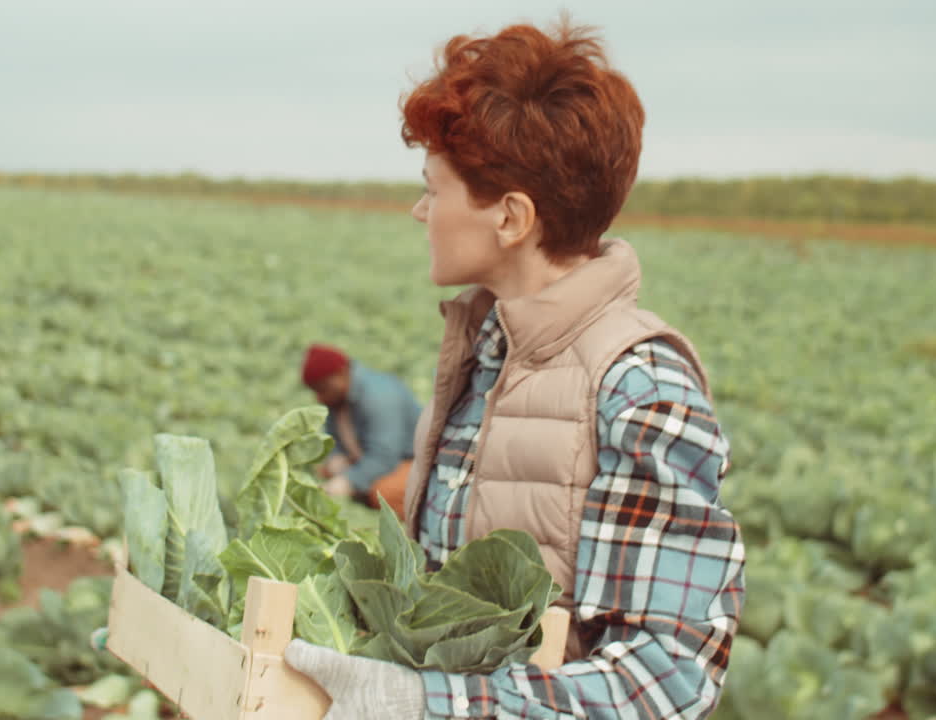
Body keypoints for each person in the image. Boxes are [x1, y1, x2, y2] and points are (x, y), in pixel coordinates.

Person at [283, 17, 746, 720]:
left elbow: (669, 683)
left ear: (510, 218)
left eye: (434, 188)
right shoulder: (484, 356)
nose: (419, 211)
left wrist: (426, 704)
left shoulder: (640, 391)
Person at [301, 342, 422, 519]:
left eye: (322, 389)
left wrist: (348, 481)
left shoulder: (379, 396)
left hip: (412, 461)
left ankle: (415, 521)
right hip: (370, 459)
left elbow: (384, 457)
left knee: (384, 493)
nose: (319, 398)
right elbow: (334, 440)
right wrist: (336, 458)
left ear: (341, 373)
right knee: (322, 470)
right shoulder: (336, 398)